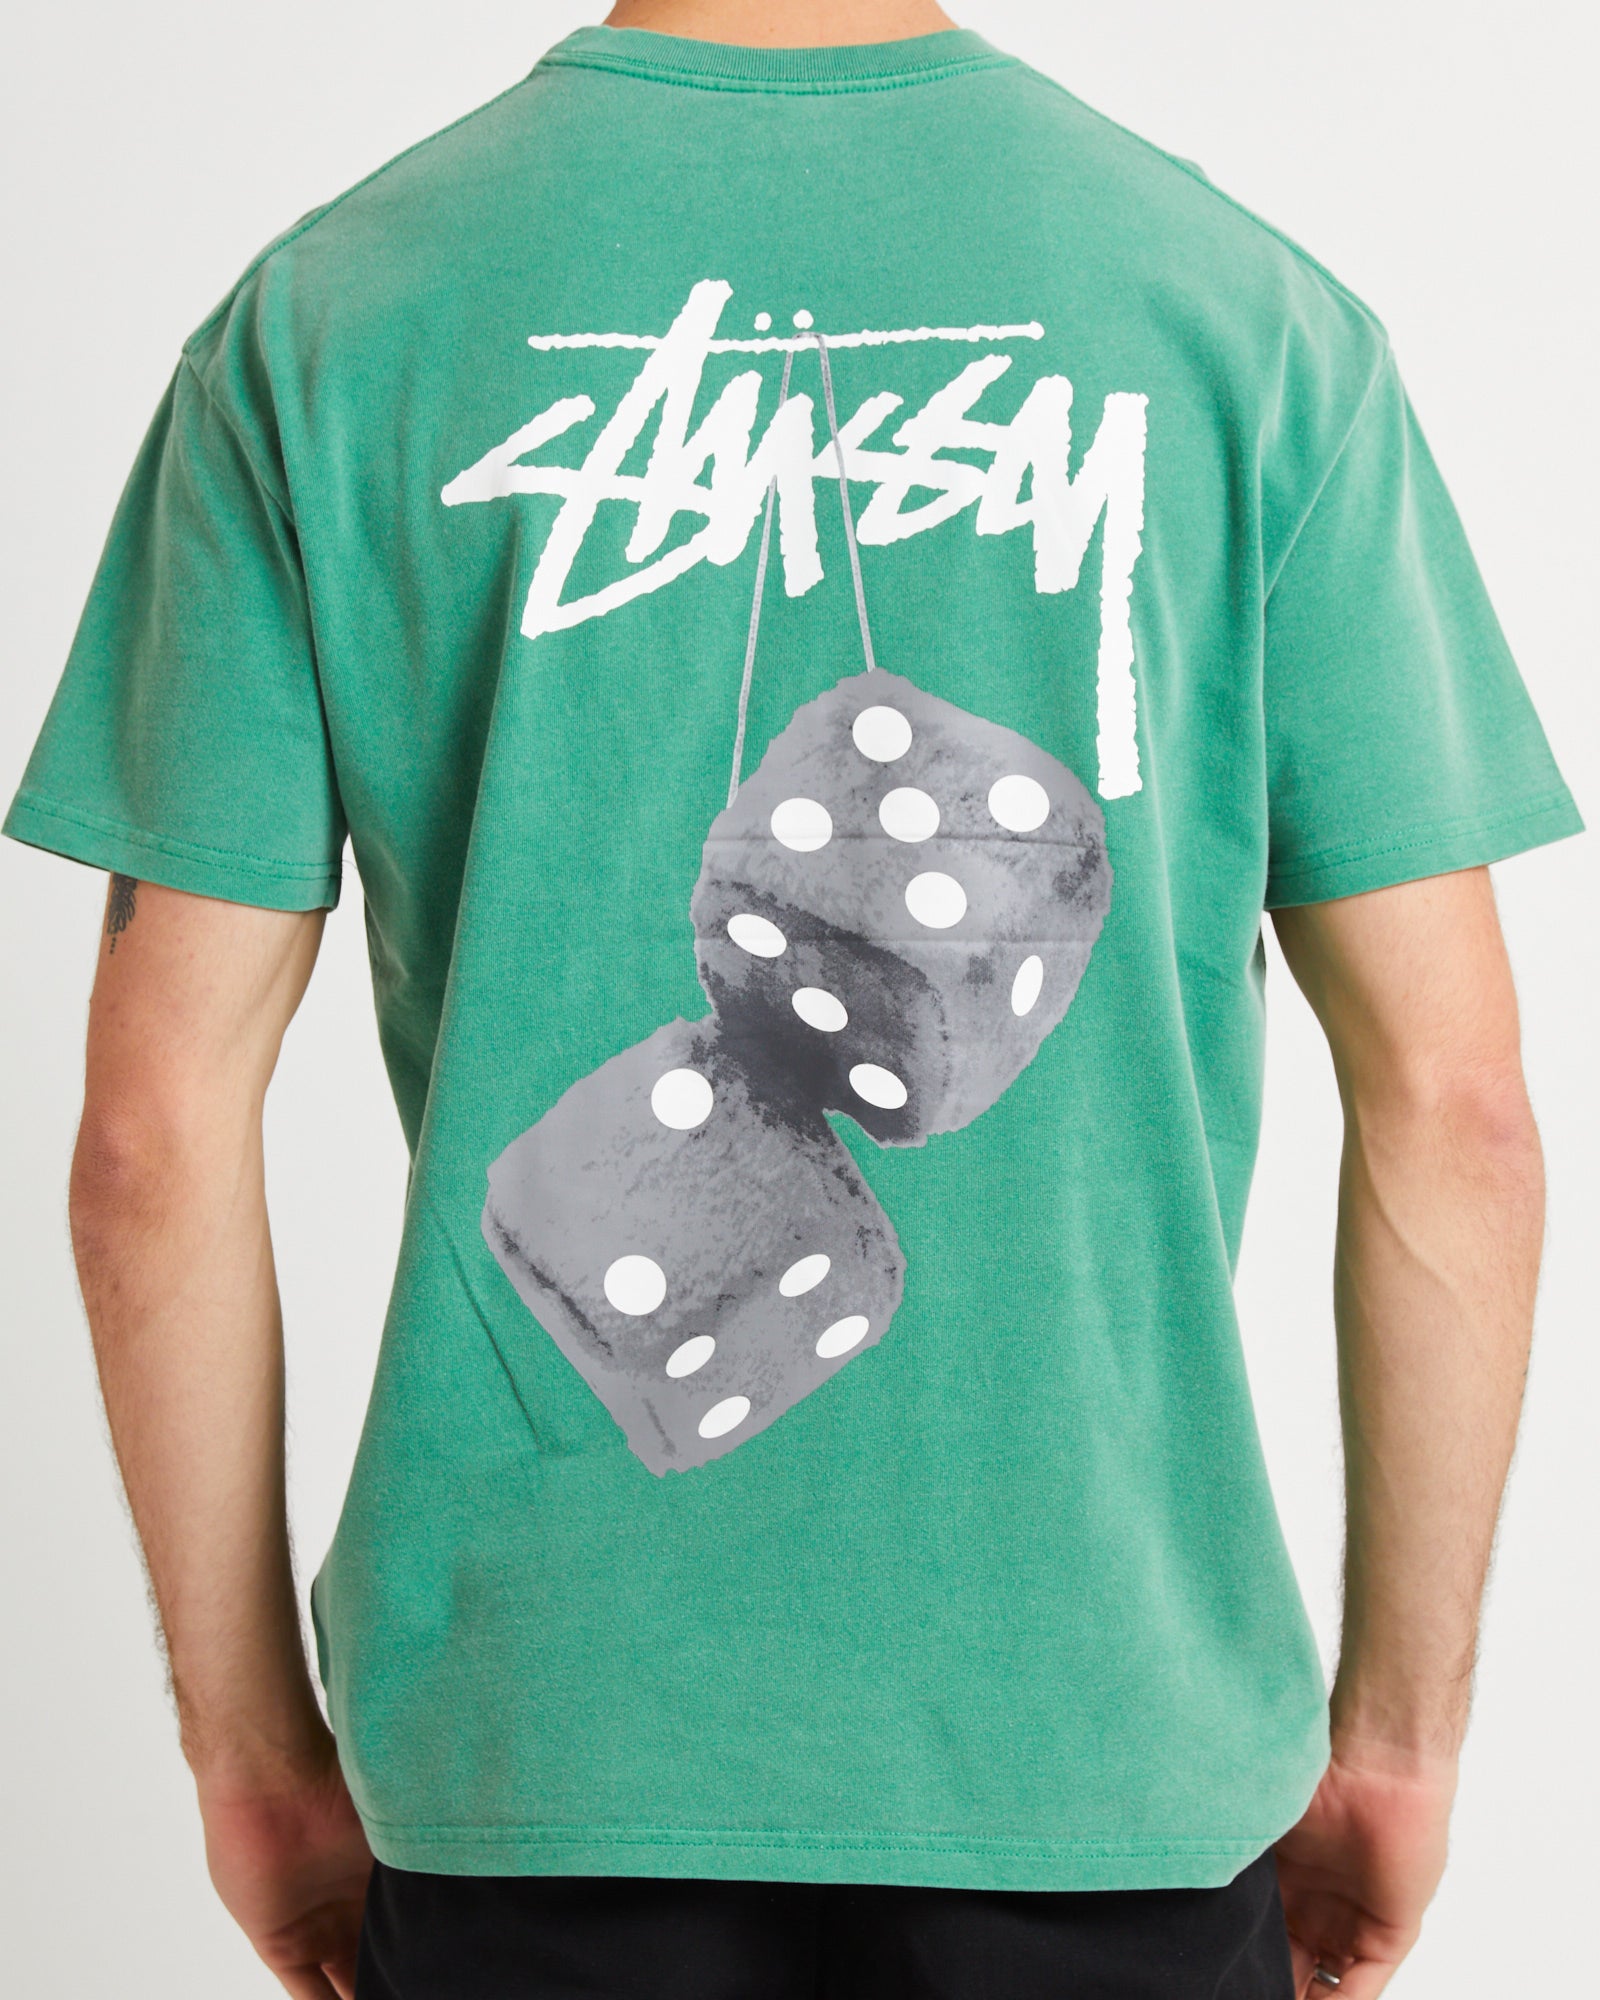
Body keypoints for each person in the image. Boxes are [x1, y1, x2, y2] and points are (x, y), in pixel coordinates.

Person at [7, 0, 1582, 1993]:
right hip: (1105, 1758)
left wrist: (250, 1752)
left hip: (531, 1760)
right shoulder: (1248, 324)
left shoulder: (323, 323)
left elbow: (149, 1138)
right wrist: (1400, 1739)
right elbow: (1456, 1111)